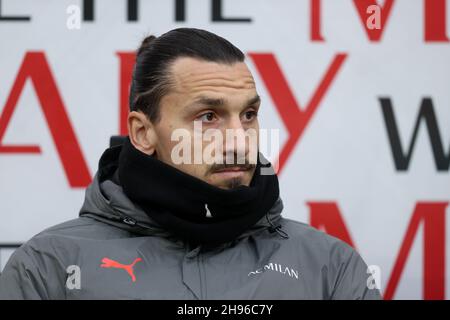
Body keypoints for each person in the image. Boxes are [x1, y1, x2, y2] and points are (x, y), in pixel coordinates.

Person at [0, 28, 381, 300]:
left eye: (248, 114)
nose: (238, 140)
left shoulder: (330, 269)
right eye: (208, 117)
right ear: (143, 133)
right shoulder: (48, 268)